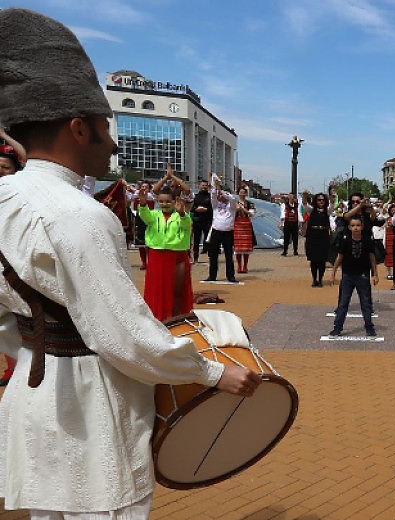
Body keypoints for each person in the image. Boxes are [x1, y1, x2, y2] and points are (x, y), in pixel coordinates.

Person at [0, 8, 261, 518]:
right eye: (104, 125)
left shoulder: (3, 198)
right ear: (78, 128)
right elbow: (127, 337)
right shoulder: (81, 217)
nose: (113, 140)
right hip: (92, 412)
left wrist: (32, 351)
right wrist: (212, 373)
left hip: (32, 401)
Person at [138, 167, 193, 321]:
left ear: (174, 201)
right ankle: (156, 317)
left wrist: (181, 213)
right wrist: (142, 204)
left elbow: (186, 225)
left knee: (176, 289)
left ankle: (176, 318)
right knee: (157, 289)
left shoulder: (182, 215)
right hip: (157, 255)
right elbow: (144, 215)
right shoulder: (153, 215)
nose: (164, 204)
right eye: (161, 201)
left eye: (167, 201)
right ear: (157, 202)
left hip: (177, 255)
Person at [329, 215, 379, 337]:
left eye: (358, 225)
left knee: (366, 303)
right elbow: (339, 258)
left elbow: (372, 259)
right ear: (349, 227)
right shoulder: (345, 241)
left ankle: (369, 327)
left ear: (362, 227)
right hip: (348, 276)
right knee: (343, 303)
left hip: (363, 276)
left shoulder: (367, 240)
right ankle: (337, 327)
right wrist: (333, 273)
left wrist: (375, 274)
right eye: (353, 226)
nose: (355, 228)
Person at [0, 141, 22, 387]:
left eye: (5, 167)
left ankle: (21, 364)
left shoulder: (20, 192)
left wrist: (6, 135)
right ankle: (11, 366)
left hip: (16, 260)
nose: (1, 171)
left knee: (19, 313)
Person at [205, 173, 238, 283]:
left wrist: (223, 191)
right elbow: (213, 194)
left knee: (229, 255)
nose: (221, 197)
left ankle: (230, 276)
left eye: (223, 196)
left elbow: (232, 199)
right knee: (213, 255)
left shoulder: (231, 206)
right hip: (216, 231)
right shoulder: (215, 204)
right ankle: (212, 275)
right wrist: (215, 184)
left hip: (228, 233)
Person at [305, 192, 333, 287]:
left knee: (322, 260)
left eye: (323, 200)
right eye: (319, 200)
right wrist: (305, 195)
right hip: (313, 236)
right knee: (313, 260)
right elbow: (304, 203)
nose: (321, 201)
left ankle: (320, 279)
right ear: (315, 201)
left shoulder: (327, 211)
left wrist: (330, 194)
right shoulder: (311, 210)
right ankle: (314, 279)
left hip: (323, 236)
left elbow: (332, 204)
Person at [129, 180, 156, 270]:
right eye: (142, 187)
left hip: (149, 219)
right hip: (139, 219)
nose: (144, 189)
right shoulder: (136, 194)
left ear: (149, 189)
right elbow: (130, 193)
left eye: (146, 187)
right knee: (140, 242)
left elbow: (137, 193)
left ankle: (151, 261)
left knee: (149, 242)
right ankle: (144, 262)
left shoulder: (150, 195)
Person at [234, 187, 256, 274]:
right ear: (238, 193)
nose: (242, 194)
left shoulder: (250, 204)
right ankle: (239, 266)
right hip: (237, 224)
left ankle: (245, 266)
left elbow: (251, 214)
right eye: (241, 192)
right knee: (238, 246)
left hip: (246, 224)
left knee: (246, 247)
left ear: (246, 194)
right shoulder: (234, 203)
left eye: (244, 193)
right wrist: (236, 209)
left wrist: (242, 209)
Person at [190, 179, 213, 264]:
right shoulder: (195, 196)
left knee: (209, 240)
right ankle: (195, 258)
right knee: (196, 240)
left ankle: (211, 257)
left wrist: (206, 209)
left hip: (207, 221)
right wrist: (197, 209)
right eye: (202, 185)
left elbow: (213, 209)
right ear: (199, 186)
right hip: (197, 221)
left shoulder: (210, 197)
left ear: (208, 187)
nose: (204, 187)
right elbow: (192, 209)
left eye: (205, 186)